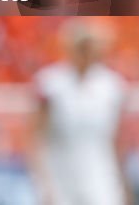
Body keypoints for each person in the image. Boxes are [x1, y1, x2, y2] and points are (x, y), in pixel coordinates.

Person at [32, 21, 131, 205]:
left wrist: (124, 182)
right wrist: (43, 181)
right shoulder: (51, 83)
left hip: (101, 173)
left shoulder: (112, 86)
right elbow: (36, 136)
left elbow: (117, 138)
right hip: (61, 173)